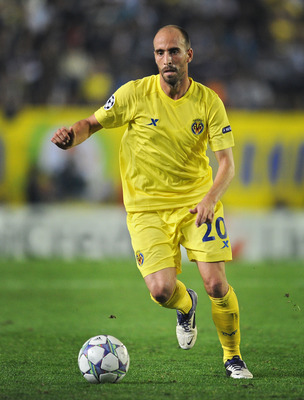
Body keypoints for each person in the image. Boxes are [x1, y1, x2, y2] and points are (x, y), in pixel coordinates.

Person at [51, 25, 253, 379]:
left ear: (188, 55)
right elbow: (90, 123)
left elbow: (227, 164)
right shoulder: (133, 94)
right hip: (145, 210)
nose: (166, 59)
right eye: (160, 53)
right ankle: (185, 305)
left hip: (196, 205)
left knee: (217, 285)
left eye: (174, 51)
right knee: (161, 291)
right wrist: (72, 138)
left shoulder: (208, 102)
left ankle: (232, 357)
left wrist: (209, 199)